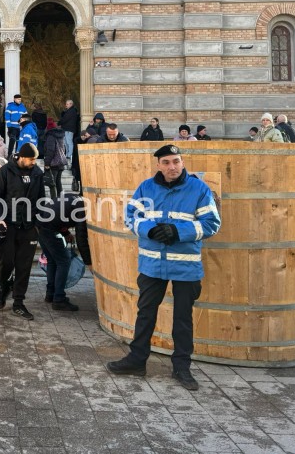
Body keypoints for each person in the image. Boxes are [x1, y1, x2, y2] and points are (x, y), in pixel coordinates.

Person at [107, 144, 221, 391]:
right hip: (152, 265)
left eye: (176, 161)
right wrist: (149, 229)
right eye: (167, 162)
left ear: (182, 162)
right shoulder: (146, 188)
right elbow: (130, 217)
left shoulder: (199, 189)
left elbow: (211, 224)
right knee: (145, 313)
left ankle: (182, 367)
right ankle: (137, 361)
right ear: (158, 165)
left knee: (182, 319)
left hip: (186, 267)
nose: (172, 167)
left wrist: (177, 232)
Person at [0, 142, 44, 320]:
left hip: (29, 227)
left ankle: (18, 302)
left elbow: (41, 199)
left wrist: (38, 223)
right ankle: (4, 288)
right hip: (9, 224)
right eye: (30, 159)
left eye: (35, 159)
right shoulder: (6, 171)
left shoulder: (37, 173)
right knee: (7, 264)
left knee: (24, 265)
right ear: (21, 157)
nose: (33, 162)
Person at [36, 194, 86, 312]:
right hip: (48, 228)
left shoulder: (73, 197)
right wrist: (88, 261)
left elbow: (59, 214)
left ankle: (51, 294)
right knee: (63, 261)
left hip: (39, 224)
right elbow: (81, 236)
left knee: (52, 261)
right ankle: (59, 299)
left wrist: (66, 233)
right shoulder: (82, 208)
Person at [42, 119, 67, 200]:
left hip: (53, 162)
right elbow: (64, 149)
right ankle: (61, 200)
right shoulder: (60, 136)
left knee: (52, 184)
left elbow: (50, 150)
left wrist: (47, 163)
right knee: (58, 182)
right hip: (60, 162)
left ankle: (55, 201)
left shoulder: (50, 137)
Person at [59, 99, 80, 165]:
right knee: (65, 142)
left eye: (67, 104)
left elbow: (65, 119)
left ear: (71, 104)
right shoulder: (70, 111)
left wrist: (59, 123)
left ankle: (69, 154)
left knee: (69, 142)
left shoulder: (72, 111)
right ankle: (67, 154)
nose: (66, 105)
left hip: (69, 129)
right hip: (66, 129)